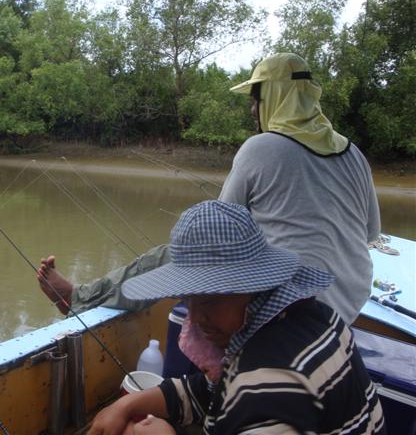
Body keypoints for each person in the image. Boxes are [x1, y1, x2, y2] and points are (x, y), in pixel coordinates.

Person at [38, 53, 381, 325]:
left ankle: (78, 298)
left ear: (277, 98)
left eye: (257, 97)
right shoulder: (355, 154)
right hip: (348, 306)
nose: (252, 108)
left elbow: (217, 231)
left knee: (173, 254)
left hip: (288, 304)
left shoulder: (263, 147)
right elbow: (370, 233)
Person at [86, 201, 385, 435]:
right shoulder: (316, 317)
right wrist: (126, 405)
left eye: (210, 301)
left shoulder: (270, 384)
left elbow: (255, 393)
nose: (197, 317)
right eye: (188, 301)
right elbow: (209, 390)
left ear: (254, 286)